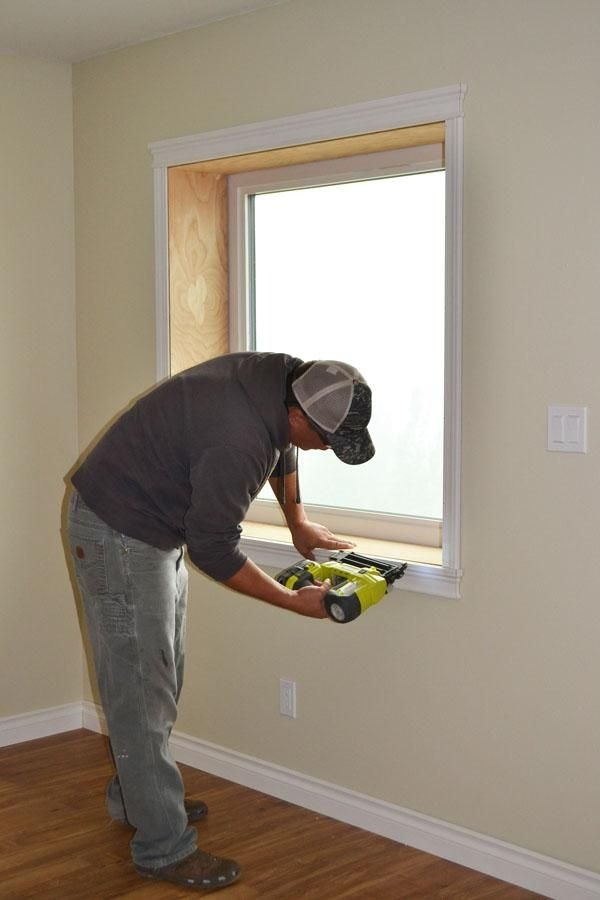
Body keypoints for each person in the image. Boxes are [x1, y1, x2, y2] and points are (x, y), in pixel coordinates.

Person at [67, 351, 374, 891]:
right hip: (118, 530)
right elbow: (213, 549)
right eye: (326, 439)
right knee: (143, 687)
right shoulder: (238, 437)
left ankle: (137, 796)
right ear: (298, 415)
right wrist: (290, 600)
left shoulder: (287, 378)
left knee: (161, 676)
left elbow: (285, 449)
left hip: (151, 530)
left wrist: (298, 523)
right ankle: (162, 847)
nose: (325, 449)